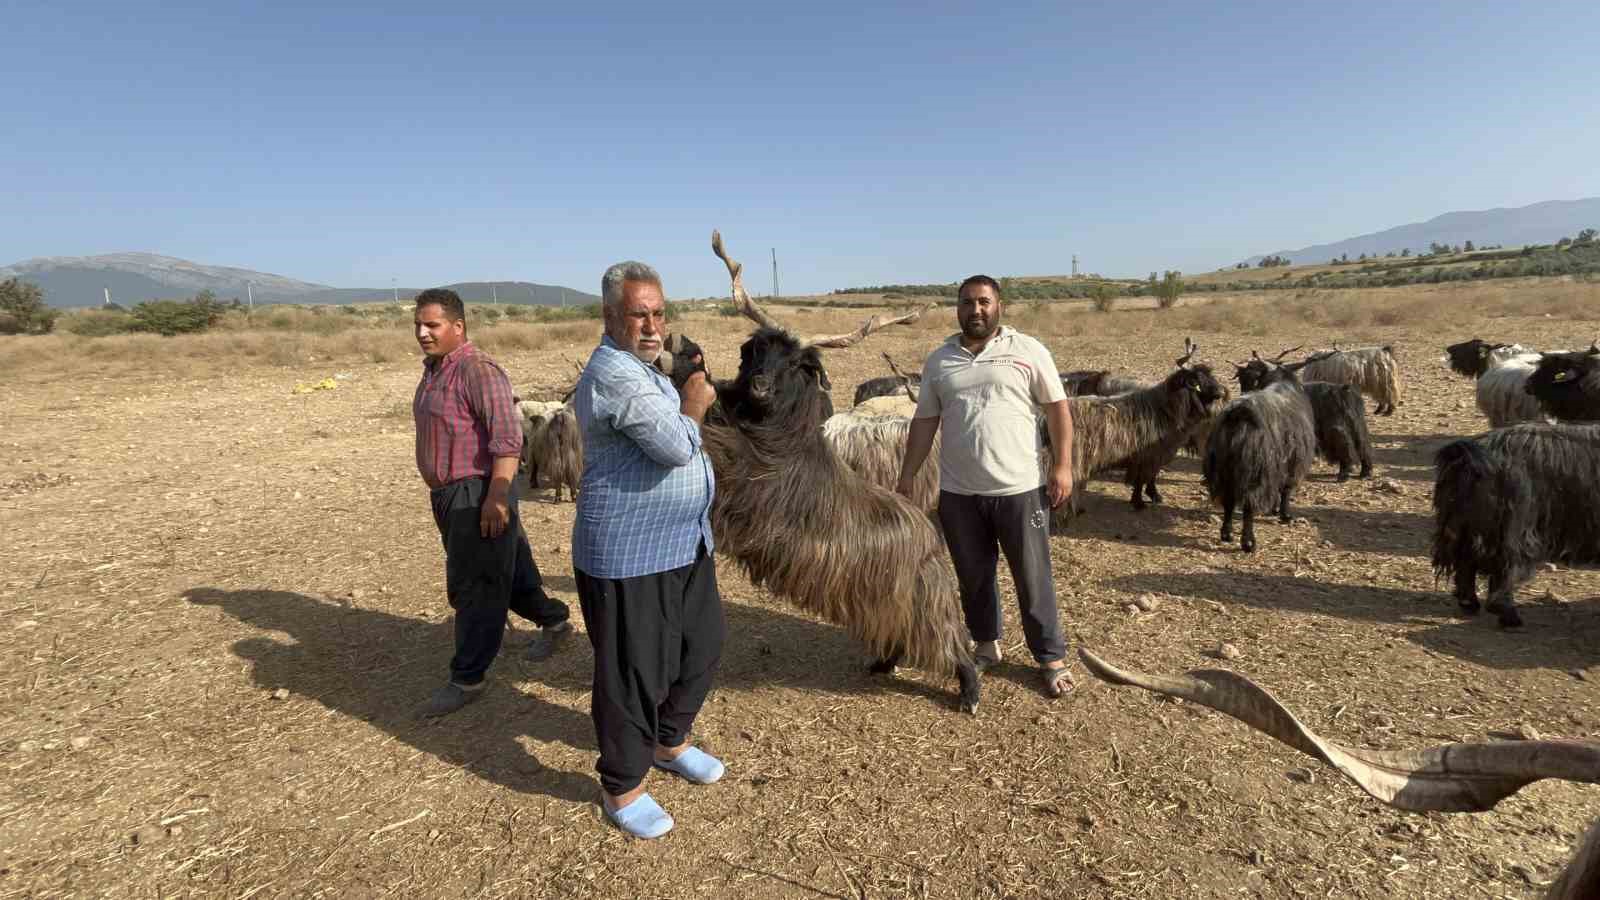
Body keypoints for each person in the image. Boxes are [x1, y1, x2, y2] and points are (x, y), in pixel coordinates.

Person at [570, 261, 724, 840]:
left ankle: (668, 739)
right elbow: (674, 447)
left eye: (659, 312)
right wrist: (693, 405)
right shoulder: (614, 374)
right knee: (632, 670)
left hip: (683, 541)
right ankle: (622, 783)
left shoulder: (643, 369)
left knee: (703, 644)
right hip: (630, 550)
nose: (653, 325)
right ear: (611, 316)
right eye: (639, 314)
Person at [894, 275, 1076, 697]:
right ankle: (987, 645)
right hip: (958, 493)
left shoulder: (1028, 351)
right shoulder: (940, 360)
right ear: (956, 308)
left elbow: (1057, 408)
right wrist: (908, 476)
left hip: (1019, 488)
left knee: (1033, 577)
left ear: (999, 306)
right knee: (973, 576)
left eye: (983, 302)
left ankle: (1051, 657)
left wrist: (1063, 465)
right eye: (966, 303)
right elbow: (925, 422)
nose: (975, 310)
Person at [412, 288, 572, 718]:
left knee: (476, 586)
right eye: (419, 325)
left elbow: (507, 438)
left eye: (433, 325)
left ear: (457, 327)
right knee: (510, 570)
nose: (423, 333)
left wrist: (497, 496)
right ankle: (555, 620)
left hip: (477, 493)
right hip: (449, 496)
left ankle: (468, 677)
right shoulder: (434, 371)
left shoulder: (477, 371)